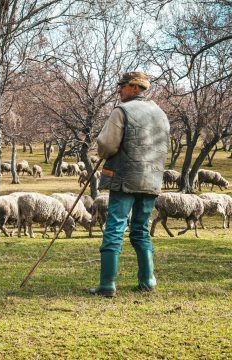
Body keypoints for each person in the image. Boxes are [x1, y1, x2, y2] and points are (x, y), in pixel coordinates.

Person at [89, 72, 170, 297]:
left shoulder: (122, 111)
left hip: (124, 178)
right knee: (141, 229)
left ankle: (107, 284)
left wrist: (103, 153)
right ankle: (148, 281)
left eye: (122, 86)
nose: (119, 90)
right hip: (151, 180)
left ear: (135, 87)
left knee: (115, 228)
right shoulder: (161, 114)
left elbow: (107, 145)